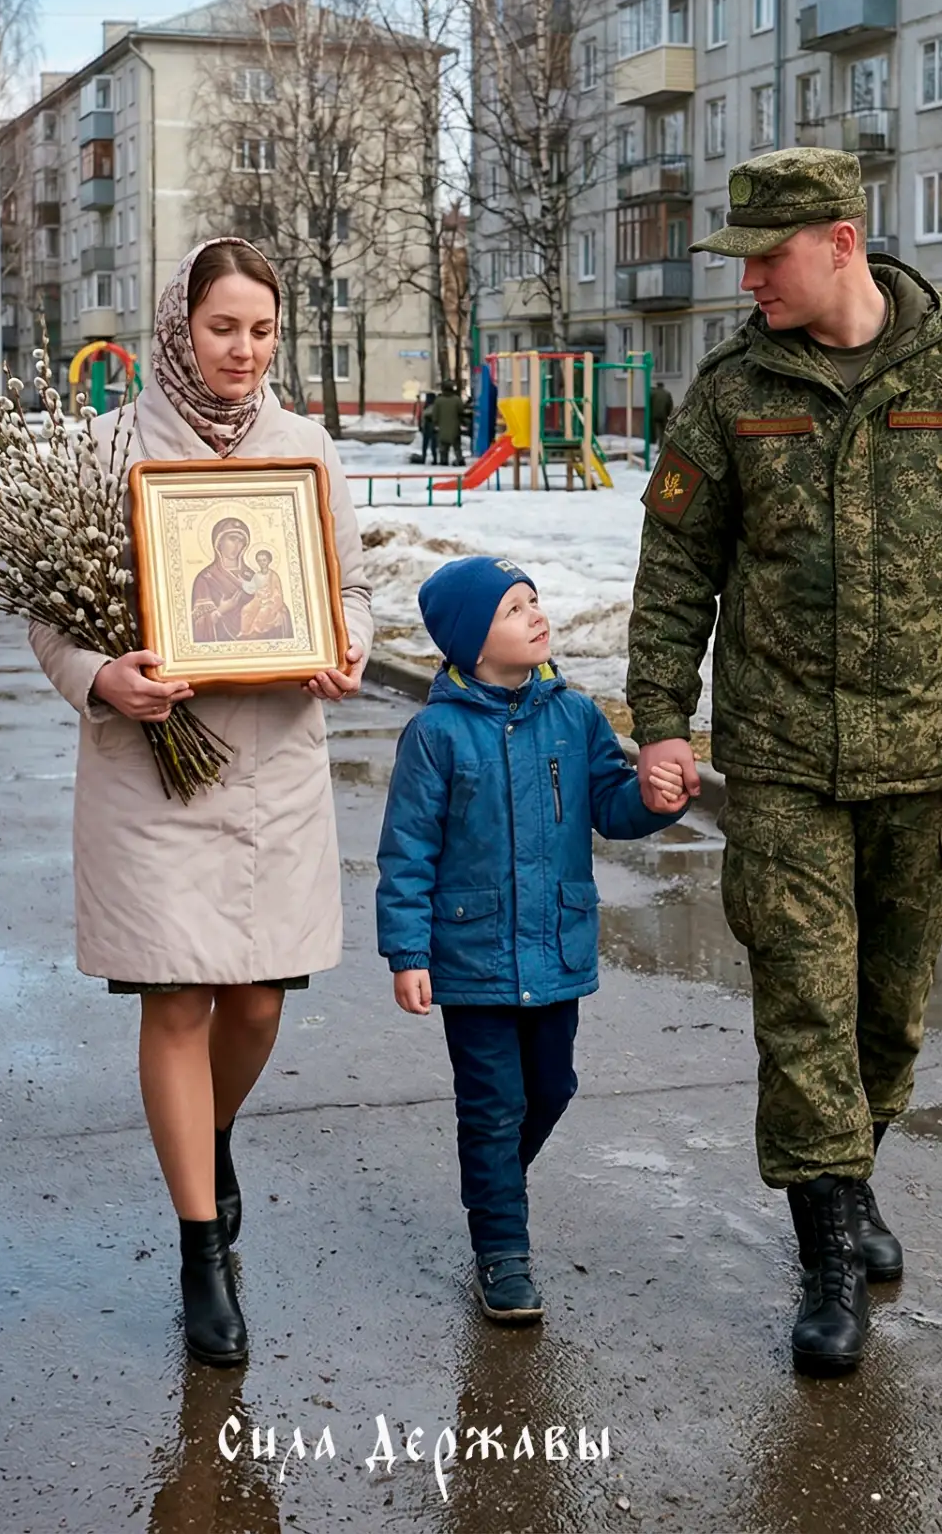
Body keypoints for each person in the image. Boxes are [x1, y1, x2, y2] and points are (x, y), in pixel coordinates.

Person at [625, 148, 942, 1377]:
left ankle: (851, 1172)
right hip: (780, 755)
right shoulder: (731, 389)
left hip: (922, 756)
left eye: (767, 257)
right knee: (805, 999)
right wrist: (661, 718)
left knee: (893, 1002)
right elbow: (676, 570)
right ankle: (826, 1247)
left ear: (841, 241)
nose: (749, 280)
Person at [26, 237, 372, 1368]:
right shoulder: (108, 448)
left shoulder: (304, 449)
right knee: (176, 999)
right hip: (152, 773)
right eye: (224, 328)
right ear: (180, 327)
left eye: (263, 331)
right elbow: (50, 616)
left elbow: (352, 587)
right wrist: (101, 677)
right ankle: (199, 1250)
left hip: (274, 768)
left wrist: (345, 644)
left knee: (258, 1001)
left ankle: (210, 1132)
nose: (245, 351)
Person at [375, 557, 688, 1324]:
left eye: (535, 601)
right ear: (471, 641)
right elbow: (407, 851)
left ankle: (493, 1186)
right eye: (514, 609)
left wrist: (654, 801)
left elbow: (610, 804)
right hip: (472, 957)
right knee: (493, 1106)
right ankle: (503, 1254)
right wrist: (408, 953)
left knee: (551, 1089)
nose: (536, 615)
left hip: (554, 947)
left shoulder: (574, 716)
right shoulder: (436, 735)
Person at [430, 380, 466, 468]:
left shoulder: (438, 400)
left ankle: (444, 460)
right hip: (454, 427)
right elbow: (461, 411)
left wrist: (435, 424)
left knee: (443, 446)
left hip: (442, 427)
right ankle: (459, 459)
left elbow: (435, 414)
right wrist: (462, 422)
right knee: (457, 446)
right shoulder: (457, 399)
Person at [648, 379, 674, 451]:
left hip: (654, 416)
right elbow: (670, 405)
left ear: (657, 386)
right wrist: (669, 415)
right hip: (663, 416)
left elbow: (649, 404)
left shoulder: (653, 393)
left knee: (654, 431)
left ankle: (653, 445)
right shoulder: (667, 393)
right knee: (662, 432)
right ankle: (660, 447)